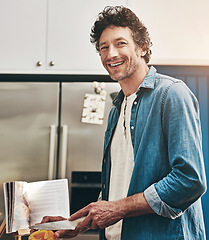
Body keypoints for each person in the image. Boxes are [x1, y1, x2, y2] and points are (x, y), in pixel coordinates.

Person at [40, 6, 207, 239]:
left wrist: (117, 209)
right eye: (104, 47)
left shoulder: (172, 94)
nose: (111, 54)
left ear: (142, 47)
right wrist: (74, 223)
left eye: (120, 43)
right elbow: (117, 190)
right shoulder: (116, 109)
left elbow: (190, 180)